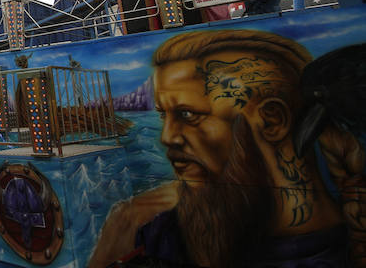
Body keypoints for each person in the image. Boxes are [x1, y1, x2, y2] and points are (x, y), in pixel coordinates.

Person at [89, 30, 364, 268]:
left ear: (273, 120)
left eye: (188, 115)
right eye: (163, 115)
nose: (167, 137)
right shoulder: (154, 227)